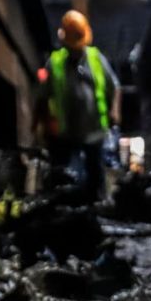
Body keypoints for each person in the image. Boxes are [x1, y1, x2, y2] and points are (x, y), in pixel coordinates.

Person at [35, 10, 122, 200]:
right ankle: (63, 209)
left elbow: (114, 86)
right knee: (64, 177)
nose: (76, 49)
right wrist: (40, 126)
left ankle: (97, 208)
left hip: (94, 130)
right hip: (66, 133)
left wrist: (115, 111)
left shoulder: (95, 58)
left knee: (95, 177)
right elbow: (42, 97)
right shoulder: (55, 62)